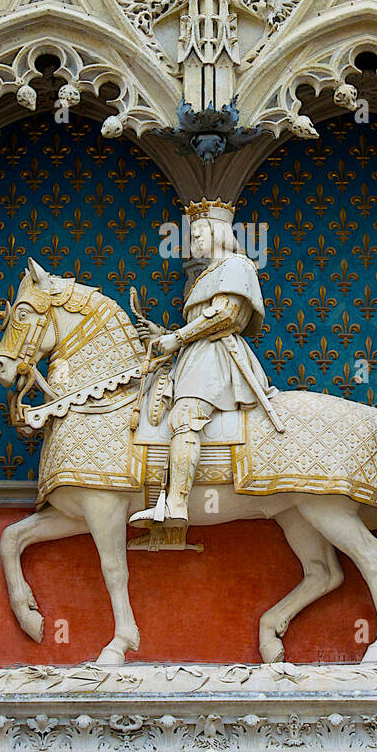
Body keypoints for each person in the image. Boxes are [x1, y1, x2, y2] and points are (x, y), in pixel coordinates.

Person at [130, 199, 280, 527]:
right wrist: (163, 334)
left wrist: (177, 338)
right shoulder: (209, 273)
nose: (194, 243)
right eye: (192, 237)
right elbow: (200, 320)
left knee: (186, 415)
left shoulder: (238, 265)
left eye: (199, 235)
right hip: (196, 354)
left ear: (219, 233)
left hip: (219, 355)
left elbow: (227, 314)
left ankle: (176, 504)